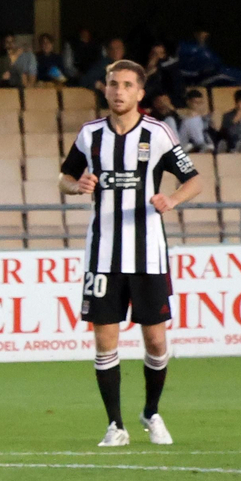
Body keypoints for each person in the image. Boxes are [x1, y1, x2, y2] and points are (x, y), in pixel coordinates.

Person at [59, 60, 202, 448]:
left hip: (148, 255)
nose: (118, 90)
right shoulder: (90, 135)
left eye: (126, 85)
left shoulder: (157, 133)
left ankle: (151, 411)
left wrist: (171, 199)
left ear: (140, 93)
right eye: (112, 84)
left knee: (155, 342)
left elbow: (194, 179)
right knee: (105, 340)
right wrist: (77, 186)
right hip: (102, 254)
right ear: (105, 90)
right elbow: (64, 176)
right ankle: (115, 425)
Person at [175, 29, 241, 90]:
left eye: (205, 33)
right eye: (201, 33)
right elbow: (178, 66)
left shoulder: (209, 52)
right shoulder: (186, 46)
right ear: (195, 33)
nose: (203, 35)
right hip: (194, 79)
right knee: (222, 73)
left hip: (208, 77)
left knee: (231, 78)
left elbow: (217, 65)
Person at [178, 89, 214, 153]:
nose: (198, 105)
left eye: (200, 103)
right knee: (193, 120)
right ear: (188, 102)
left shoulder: (203, 118)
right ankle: (204, 146)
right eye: (196, 102)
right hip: (184, 145)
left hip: (196, 147)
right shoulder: (184, 117)